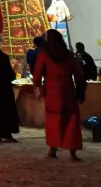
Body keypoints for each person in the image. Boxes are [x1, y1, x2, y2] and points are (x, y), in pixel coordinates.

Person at [33, 28, 84, 160]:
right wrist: (80, 93)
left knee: (54, 121)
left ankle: (53, 150)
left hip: (52, 91)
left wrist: (38, 90)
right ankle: (72, 152)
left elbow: (37, 75)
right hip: (68, 90)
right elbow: (79, 76)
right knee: (71, 120)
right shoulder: (69, 55)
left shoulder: (44, 55)